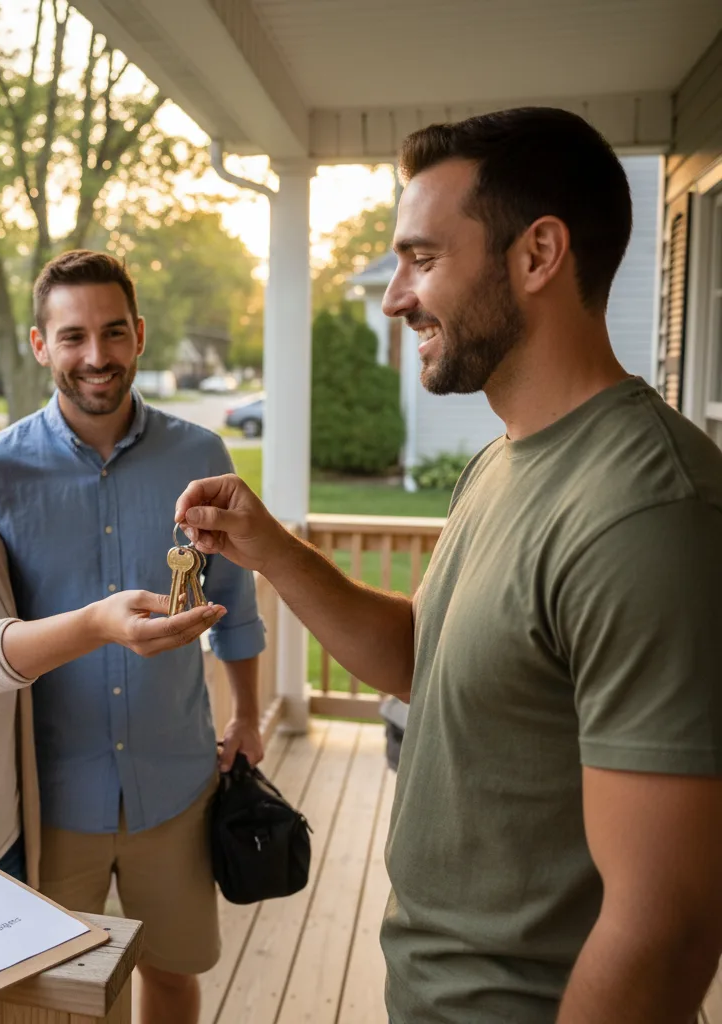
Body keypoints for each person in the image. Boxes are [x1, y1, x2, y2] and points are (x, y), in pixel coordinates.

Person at [175, 107, 722, 1023]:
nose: (395, 297)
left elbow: (666, 924)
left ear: (538, 255)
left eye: (422, 259)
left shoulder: (648, 514)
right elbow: (417, 658)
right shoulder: (507, 458)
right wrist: (268, 548)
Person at [0, 253, 266, 1024]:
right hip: (44, 799)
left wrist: (251, 716)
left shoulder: (194, 458)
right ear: (39, 345)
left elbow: (236, 600)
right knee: (52, 993)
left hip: (163, 783)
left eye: (112, 332)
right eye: (73, 336)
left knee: (168, 969)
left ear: (139, 335)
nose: (95, 355)